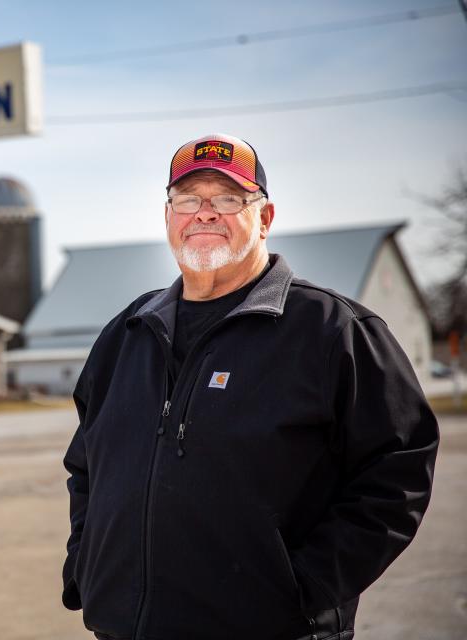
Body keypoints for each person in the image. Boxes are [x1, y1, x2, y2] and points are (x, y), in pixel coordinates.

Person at [60, 133, 439, 640]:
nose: (205, 213)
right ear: (168, 216)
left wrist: (305, 591)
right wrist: (84, 566)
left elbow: (398, 475)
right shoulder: (126, 334)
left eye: (228, 199)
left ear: (264, 218)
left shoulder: (333, 331)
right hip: (122, 628)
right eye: (188, 199)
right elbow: (86, 467)